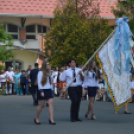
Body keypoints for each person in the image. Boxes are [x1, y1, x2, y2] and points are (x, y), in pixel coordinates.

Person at [34, 60, 56, 125]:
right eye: (47, 64)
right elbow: (39, 83)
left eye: (49, 64)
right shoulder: (40, 73)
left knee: (50, 103)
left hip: (49, 89)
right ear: (44, 65)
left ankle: (51, 119)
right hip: (42, 90)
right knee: (41, 105)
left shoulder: (49, 73)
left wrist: (52, 90)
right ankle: (36, 118)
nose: (48, 66)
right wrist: (41, 91)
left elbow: (50, 83)